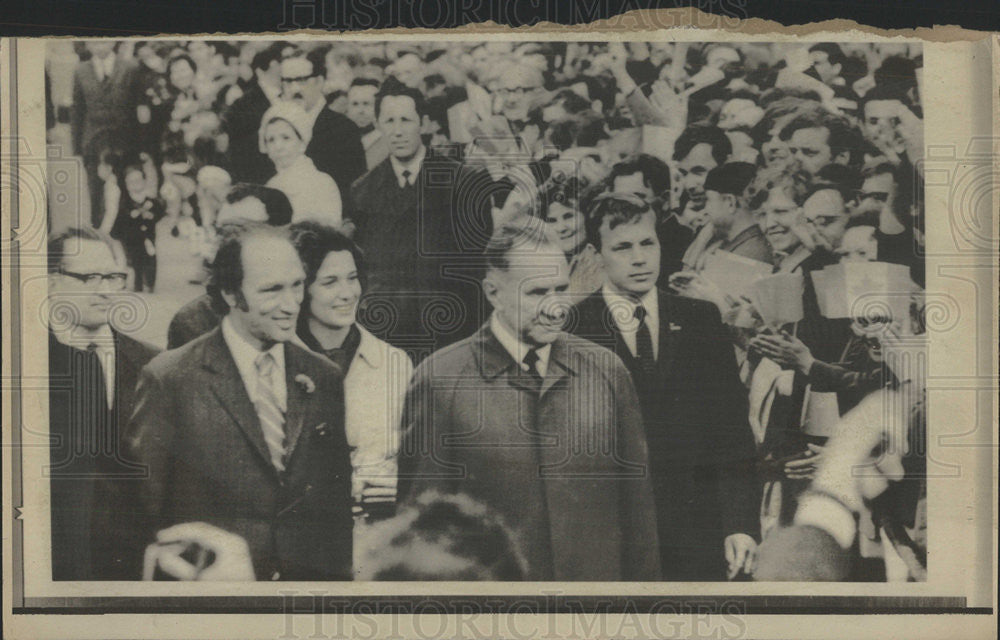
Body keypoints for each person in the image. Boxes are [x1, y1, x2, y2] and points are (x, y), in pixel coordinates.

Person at [398, 217, 660, 581]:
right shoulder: (440, 381)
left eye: (561, 289)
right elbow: (422, 538)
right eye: (537, 292)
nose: (556, 308)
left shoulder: (607, 371)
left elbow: (639, 523)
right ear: (493, 292)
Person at [126, 223, 355, 580]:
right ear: (231, 294)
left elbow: (335, 511)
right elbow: (143, 512)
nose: (291, 304)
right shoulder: (171, 379)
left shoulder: (322, 376)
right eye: (271, 290)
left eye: (297, 285)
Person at [567, 194, 760, 580]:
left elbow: (732, 431)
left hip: (697, 531)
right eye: (622, 247)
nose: (639, 258)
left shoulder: (700, 319)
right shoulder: (574, 328)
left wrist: (739, 523)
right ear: (596, 252)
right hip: (612, 533)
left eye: (647, 243)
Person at [47, 227, 160, 579]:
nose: (105, 290)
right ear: (51, 282)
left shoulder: (153, 366)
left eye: (113, 276)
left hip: (129, 565)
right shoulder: (24, 363)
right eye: (89, 277)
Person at [349, 79, 488, 357]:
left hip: (451, 334)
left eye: (406, 120)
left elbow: (477, 269)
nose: (397, 131)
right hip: (389, 338)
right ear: (377, 125)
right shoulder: (362, 191)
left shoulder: (462, 182)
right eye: (388, 121)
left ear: (423, 124)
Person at [290, 222, 414, 523]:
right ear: (300, 289)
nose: (347, 293)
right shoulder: (276, 360)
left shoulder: (394, 361)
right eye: (330, 282)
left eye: (352, 278)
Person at [166, 183, 294, 349]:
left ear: (283, 235)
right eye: (222, 231)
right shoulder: (195, 321)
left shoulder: (316, 303)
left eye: (242, 230)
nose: (227, 243)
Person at [280, 49, 367, 200]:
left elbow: (357, 190)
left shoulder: (343, 129)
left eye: (302, 80)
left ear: (320, 81)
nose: (294, 89)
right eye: (288, 81)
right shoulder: (276, 129)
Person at [72, 41, 139, 227]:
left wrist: (139, 148)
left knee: (126, 192)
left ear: (114, 42)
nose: (100, 45)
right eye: (95, 41)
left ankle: (129, 238)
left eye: (105, 40)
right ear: (87, 44)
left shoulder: (129, 68)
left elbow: (135, 110)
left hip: (124, 141)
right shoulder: (80, 70)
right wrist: (77, 149)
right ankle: (99, 239)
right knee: (96, 192)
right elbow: (77, 111)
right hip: (93, 142)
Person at [260, 100, 343, 226]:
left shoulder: (322, 183)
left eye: (286, 138)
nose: (278, 146)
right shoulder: (271, 185)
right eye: (271, 140)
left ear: (302, 143)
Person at [222, 44, 283, 185]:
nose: (282, 69)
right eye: (277, 64)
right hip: (261, 178)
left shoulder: (290, 96)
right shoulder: (242, 105)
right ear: (261, 72)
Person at [698, 161, 774, 266]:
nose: (705, 210)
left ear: (730, 202)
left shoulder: (747, 254)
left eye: (708, 200)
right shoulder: (747, 244)